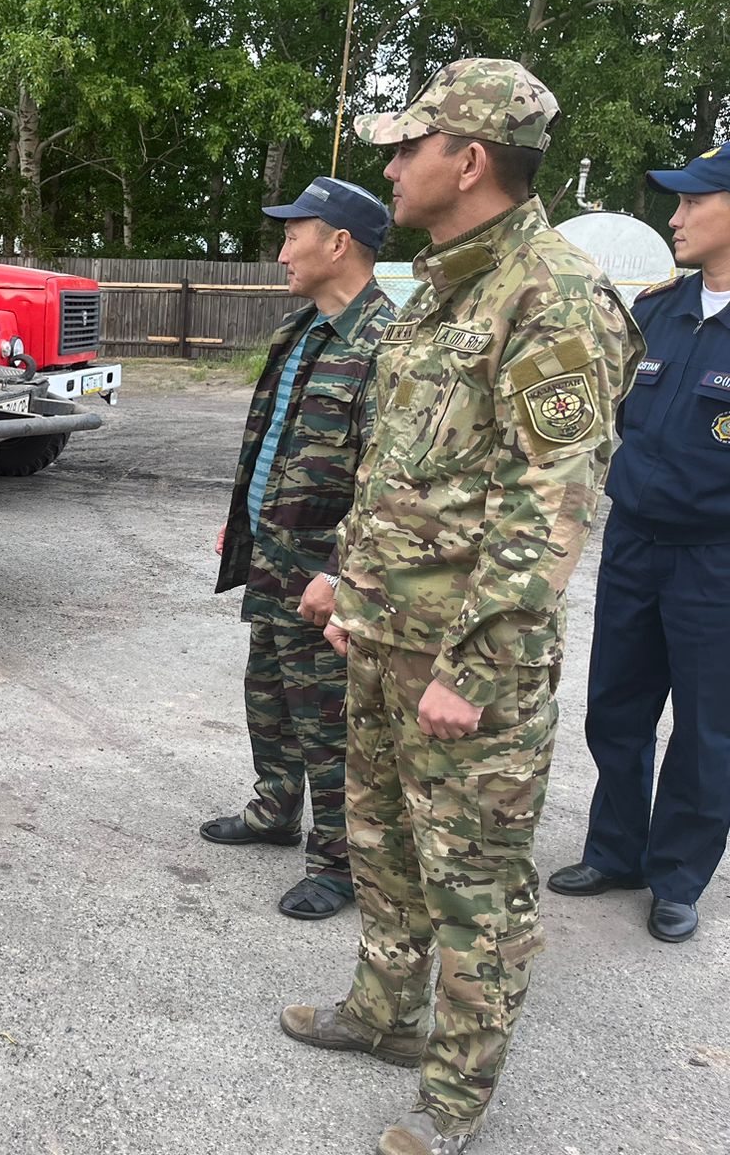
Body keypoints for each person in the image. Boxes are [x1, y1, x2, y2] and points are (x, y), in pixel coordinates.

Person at [278, 58, 643, 1155]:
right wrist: (351, 581)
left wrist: (472, 672)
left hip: (461, 667)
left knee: (475, 888)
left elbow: (551, 510)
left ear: (467, 158)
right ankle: (384, 1013)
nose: (390, 167)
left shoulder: (553, 297)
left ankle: (454, 1101)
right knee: (382, 847)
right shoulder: (440, 285)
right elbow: (403, 473)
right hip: (387, 635)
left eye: (407, 147)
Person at [548, 144, 730, 943]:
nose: (675, 217)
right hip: (633, 543)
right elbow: (591, 406)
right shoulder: (655, 309)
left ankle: (678, 874)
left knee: (706, 724)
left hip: (715, 560)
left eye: (693, 202)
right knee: (616, 706)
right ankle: (616, 849)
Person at [206, 176, 393, 920]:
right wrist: (244, 522)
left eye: (294, 234)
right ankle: (275, 810)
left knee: (331, 720)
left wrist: (344, 576)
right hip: (272, 557)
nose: (282, 249)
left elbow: (388, 481)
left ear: (339, 243)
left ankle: (338, 863)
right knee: (271, 699)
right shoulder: (299, 329)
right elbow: (272, 443)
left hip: (323, 573)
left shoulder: (388, 344)